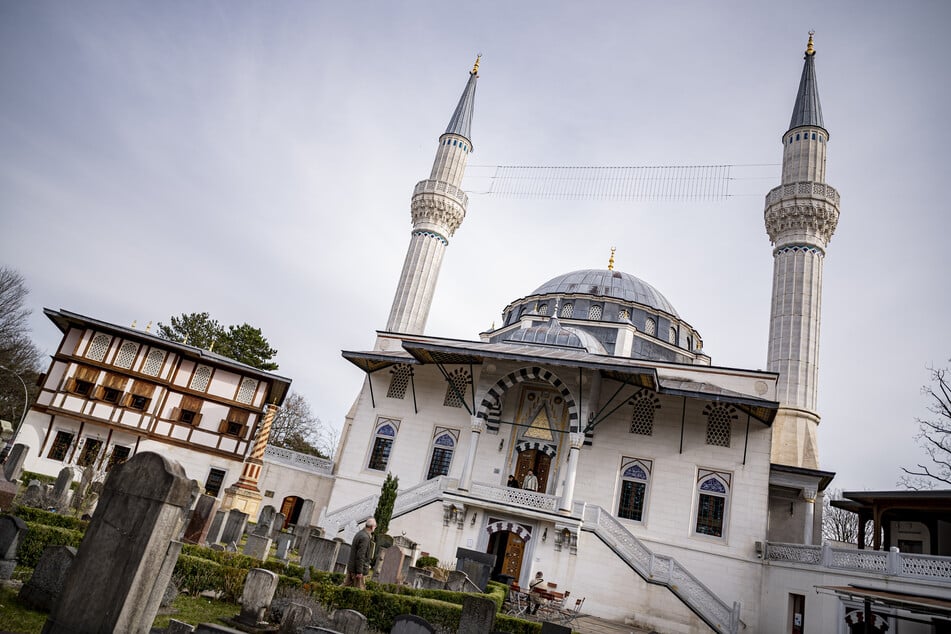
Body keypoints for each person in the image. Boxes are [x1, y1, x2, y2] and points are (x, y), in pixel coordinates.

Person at [343, 517, 376, 589]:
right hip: (357, 570)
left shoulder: (360, 533)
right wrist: (359, 572)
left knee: (345, 587)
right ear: (372, 527)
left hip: (352, 567)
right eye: (375, 526)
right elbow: (361, 555)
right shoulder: (365, 537)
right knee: (360, 591)